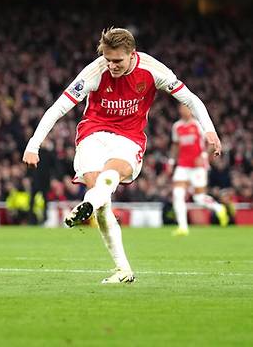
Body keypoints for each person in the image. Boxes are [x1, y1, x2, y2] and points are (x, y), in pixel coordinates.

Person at [22, 27, 221, 284]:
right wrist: (33, 145)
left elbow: (191, 99)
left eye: (117, 60)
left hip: (129, 138)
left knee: (110, 176)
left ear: (132, 54)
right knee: (102, 198)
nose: (112, 65)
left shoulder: (152, 70)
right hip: (93, 134)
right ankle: (123, 268)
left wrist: (210, 131)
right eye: (108, 59)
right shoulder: (95, 71)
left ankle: (88, 206)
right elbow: (58, 107)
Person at [169, 104, 228, 236]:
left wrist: (204, 156)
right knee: (178, 194)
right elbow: (175, 145)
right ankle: (183, 228)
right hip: (182, 165)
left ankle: (219, 208)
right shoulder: (176, 126)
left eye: (186, 108)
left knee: (199, 198)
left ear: (191, 110)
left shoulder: (198, 125)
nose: (184, 110)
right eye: (182, 108)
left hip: (198, 167)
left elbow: (212, 142)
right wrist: (171, 161)